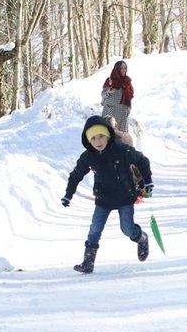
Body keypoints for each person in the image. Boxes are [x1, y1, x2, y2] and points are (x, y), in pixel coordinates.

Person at [61, 116, 153, 273]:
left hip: (124, 196)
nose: (98, 141)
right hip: (103, 198)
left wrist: (148, 182)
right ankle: (88, 262)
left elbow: (142, 160)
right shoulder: (88, 156)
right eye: (93, 138)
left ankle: (141, 237)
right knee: (95, 229)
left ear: (108, 135)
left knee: (127, 229)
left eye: (101, 136)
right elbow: (76, 175)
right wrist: (68, 194)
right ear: (88, 141)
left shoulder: (121, 150)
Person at [101, 60, 134, 132]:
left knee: (122, 134)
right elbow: (103, 94)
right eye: (121, 68)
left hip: (123, 112)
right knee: (108, 132)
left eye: (125, 68)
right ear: (117, 69)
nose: (124, 70)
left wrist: (128, 109)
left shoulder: (127, 81)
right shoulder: (109, 81)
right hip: (110, 111)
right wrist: (109, 92)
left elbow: (130, 96)